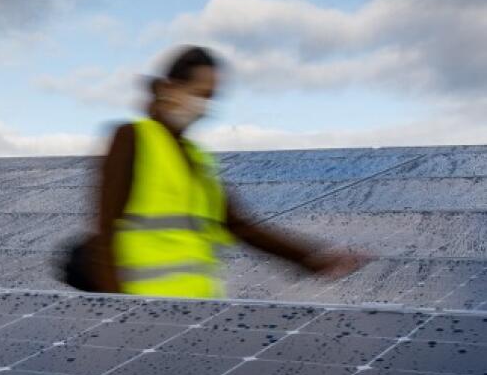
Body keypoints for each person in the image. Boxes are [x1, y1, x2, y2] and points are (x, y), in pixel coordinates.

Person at [91, 45, 364, 298]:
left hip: (199, 308)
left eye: (210, 97)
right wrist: (117, 309)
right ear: (170, 88)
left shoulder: (197, 157)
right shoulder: (132, 138)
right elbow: (105, 232)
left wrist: (313, 259)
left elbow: (238, 226)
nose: (203, 105)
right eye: (198, 93)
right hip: (143, 311)